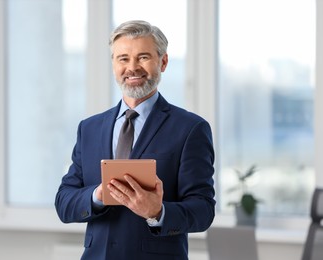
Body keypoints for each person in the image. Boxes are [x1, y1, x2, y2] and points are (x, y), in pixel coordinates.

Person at [55, 20, 216, 260]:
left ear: (163, 62)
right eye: (123, 58)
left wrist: (158, 212)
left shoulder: (190, 129)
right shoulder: (89, 128)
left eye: (143, 57)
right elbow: (64, 202)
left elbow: (203, 210)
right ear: (113, 64)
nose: (132, 67)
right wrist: (97, 196)